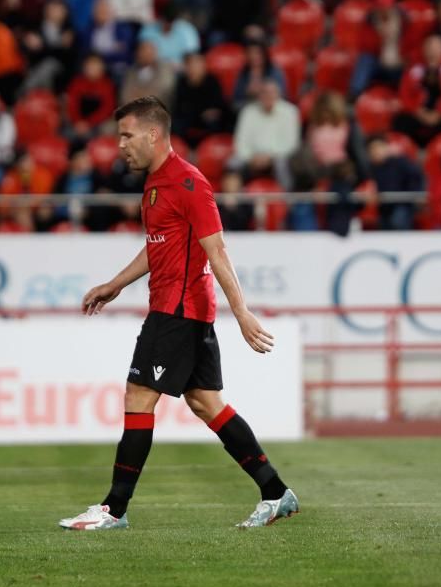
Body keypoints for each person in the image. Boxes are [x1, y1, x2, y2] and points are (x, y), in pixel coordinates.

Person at [58, 96, 299, 531]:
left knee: (138, 396)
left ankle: (114, 508)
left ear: (153, 134)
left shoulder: (189, 183)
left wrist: (242, 313)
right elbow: (159, 248)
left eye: (127, 135)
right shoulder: (154, 185)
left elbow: (217, 250)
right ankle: (275, 491)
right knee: (206, 404)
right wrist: (115, 284)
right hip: (181, 308)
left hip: (178, 310)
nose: (121, 145)